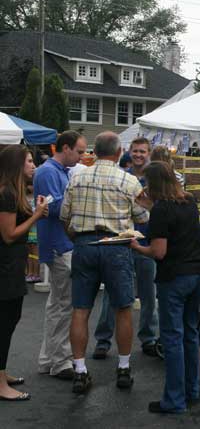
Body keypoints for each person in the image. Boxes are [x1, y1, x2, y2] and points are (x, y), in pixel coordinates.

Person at [61, 131, 149, 394]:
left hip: (84, 244)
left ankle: (80, 370)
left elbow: (64, 215)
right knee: (123, 308)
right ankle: (123, 367)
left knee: (80, 309)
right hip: (116, 246)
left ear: (94, 151)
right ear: (119, 152)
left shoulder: (76, 177)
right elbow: (143, 216)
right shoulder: (129, 180)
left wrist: (76, 234)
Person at [129, 162, 200, 414]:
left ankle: (174, 400)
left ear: (152, 184)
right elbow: (173, 222)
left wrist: (136, 246)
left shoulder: (162, 209)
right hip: (198, 273)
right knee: (190, 332)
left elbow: (158, 252)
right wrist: (150, 206)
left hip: (174, 277)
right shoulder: (188, 202)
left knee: (172, 337)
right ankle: (191, 390)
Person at [93, 137, 159, 360]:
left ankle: (148, 338)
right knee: (112, 293)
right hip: (120, 243)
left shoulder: (156, 179)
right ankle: (103, 340)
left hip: (147, 242)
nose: (139, 155)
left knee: (149, 293)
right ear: (128, 152)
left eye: (143, 151)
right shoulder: (121, 177)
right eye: (135, 151)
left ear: (148, 153)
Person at [34, 130, 86, 381]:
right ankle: (59, 361)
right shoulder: (47, 172)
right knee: (63, 305)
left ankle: (49, 359)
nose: (82, 156)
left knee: (57, 303)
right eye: (79, 151)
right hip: (59, 244)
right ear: (65, 148)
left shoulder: (59, 172)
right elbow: (52, 208)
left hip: (62, 242)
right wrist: (80, 201)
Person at [0, 146, 49, 401]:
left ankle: (1, 373)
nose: (34, 165)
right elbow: (9, 235)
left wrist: (35, 210)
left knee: (9, 320)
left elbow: (19, 221)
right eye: (29, 161)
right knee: (4, 323)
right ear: (17, 165)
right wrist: (37, 216)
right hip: (5, 269)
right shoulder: (6, 194)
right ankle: (0, 384)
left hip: (12, 267)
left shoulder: (13, 193)